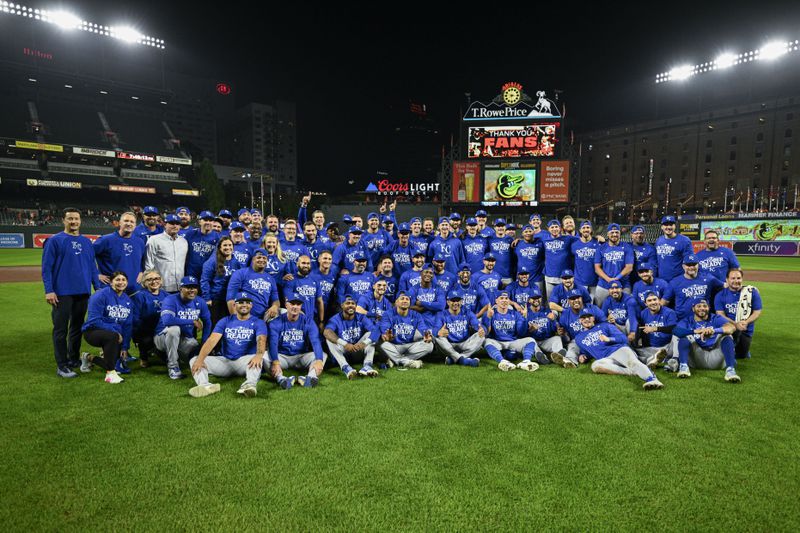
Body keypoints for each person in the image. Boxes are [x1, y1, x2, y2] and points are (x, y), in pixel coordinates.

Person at [42, 207, 102, 378]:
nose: (73, 221)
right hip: (62, 292)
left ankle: (73, 359)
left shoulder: (86, 242)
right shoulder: (55, 240)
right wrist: (49, 290)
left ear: (80, 221)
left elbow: (92, 267)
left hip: (83, 292)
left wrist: (97, 287)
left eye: (76, 218)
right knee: (61, 329)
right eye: (70, 219)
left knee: (77, 327)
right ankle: (62, 366)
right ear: (63, 220)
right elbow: (47, 268)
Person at [186, 292, 267, 397]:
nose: (244, 305)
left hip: (245, 363)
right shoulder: (225, 321)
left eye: (247, 302)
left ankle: (249, 385)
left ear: (251, 305)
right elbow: (212, 340)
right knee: (195, 359)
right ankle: (205, 385)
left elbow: (261, 340)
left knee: (259, 357)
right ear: (234, 305)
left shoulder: (258, 322)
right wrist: (200, 360)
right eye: (240, 302)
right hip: (225, 362)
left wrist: (259, 355)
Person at [574, 309, 664, 390]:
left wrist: (609, 339)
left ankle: (653, 379)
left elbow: (624, 339)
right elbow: (587, 352)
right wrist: (583, 356)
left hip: (619, 350)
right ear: (580, 320)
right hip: (606, 358)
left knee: (633, 363)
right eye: (583, 318)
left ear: (593, 318)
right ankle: (631, 372)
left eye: (588, 317)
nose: (586, 319)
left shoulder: (605, 326)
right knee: (595, 366)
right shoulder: (578, 338)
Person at [79, 271, 133, 383]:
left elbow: (128, 325)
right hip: (93, 331)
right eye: (117, 280)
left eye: (123, 280)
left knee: (118, 366)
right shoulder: (100, 295)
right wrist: (115, 331)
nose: (121, 282)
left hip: (114, 335)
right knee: (112, 337)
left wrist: (124, 347)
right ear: (111, 282)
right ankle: (110, 375)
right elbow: (94, 320)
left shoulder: (128, 300)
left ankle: (88, 357)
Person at [154, 276, 212, 379]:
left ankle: (177, 356)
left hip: (185, 338)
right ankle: (173, 366)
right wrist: (192, 321)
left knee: (196, 354)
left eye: (194, 287)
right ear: (181, 288)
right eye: (188, 287)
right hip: (162, 337)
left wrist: (204, 343)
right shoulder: (170, 300)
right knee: (174, 329)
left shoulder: (200, 302)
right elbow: (167, 321)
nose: (192, 290)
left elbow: (207, 323)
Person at [673, 298, 741, 383]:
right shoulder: (687, 320)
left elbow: (732, 327)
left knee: (727, 335)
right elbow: (676, 331)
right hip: (696, 358)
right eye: (699, 306)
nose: (702, 308)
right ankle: (683, 366)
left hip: (717, 358)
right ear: (693, 308)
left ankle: (730, 370)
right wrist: (695, 331)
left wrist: (714, 330)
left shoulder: (715, 318)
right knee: (683, 335)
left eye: (705, 306)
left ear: (708, 308)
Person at [267, 297, 326, 389]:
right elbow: (272, 344)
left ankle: (311, 377)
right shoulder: (275, 322)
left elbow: (315, 341)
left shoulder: (308, 322)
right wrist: (275, 362)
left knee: (322, 356)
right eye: (292, 304)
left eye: (298, 304)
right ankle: (281, 379)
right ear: (286, 305)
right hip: (282, 356)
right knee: (264, 357)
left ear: (301, 306)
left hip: (301, 357)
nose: (295, 307)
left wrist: (319, 361)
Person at [482, 291, 541, 372]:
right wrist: (488, 317)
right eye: (501, 298)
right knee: (486, 341)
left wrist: (524, 318)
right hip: (497, 342)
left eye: (506, 298)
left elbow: (521, 333)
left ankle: (526, 361)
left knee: (530, 340)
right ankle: (502, 361)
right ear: (496, 301)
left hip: (513, 341)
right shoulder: (491, 312)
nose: (504, 300)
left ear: (509, 301)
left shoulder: (515, 314)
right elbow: (487, 332)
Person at [324, 295, 380, 379]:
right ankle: (346, 367)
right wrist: (345, 344)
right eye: (347, 303)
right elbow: (327, 332)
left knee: (370, 335)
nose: (350, 305)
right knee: (329, 339)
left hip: (357, 350)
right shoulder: (335, 319)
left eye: (353, 303)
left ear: (356, 306)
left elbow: (375, 330)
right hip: (344, 351)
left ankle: (367, 366)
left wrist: (364, 343)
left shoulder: (361, 317)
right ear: (342, 306)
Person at [93, 211, 146, 294]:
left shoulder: (140, 242)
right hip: (110, 288)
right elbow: (87, 256)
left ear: (135, 225)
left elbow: (142, 260)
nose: (129, 224)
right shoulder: (105, 240)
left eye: (132, 222)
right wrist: (96, 274)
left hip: (133, 290)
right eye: (126, 221)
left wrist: (141, 271)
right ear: (119, 223)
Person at [378, 291, 435, 369]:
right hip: (393, 345)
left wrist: (426, 335)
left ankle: (396, 360)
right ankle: (406, 361)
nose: (405, 301)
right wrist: (386, 335)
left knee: (429, 345)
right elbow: (385, 328)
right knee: (382, 344)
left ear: (410, 303)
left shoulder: (416, 315)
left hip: (410, 345)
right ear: (396, 302)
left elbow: (423, 328)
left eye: (407, 299)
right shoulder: (387, 314)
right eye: (402, 299)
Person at [714, 269, 762, 359]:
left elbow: (757, 312)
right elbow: (720, 314)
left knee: (741, 355)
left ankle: (744, 350)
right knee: (724, 354)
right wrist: (736, 324)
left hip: (745, 329)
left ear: (742, 279)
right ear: (727, 280)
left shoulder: (751, 293)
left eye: (738, 278)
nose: (736, 281)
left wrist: (746, 322)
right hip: (728, 327)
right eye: (733, 278)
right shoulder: (720, 295)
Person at [225, 248, 281, 321]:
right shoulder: (240, 273)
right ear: (253, 259)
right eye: (258, 258)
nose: (261, 260)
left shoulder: (271, 279)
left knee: (282, 312)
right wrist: (236, 320)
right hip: (244, 314)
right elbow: (230, 298)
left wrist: (275, 306)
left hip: (264, 316)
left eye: (264, 258)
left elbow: (275, 299)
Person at [432, 290, 483, 367]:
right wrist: (438, 332)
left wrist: (480, 329)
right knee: (438, 338)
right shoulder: (441, 314)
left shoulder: (467, 312)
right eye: (453, 300)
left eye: (458, 300)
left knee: (481, 336)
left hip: (464, 344)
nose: (455, 303)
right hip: (448, 345)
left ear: (461, 301)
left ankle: (453, 358)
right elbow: (434, 330)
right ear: (448, 302)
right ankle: (462, 359)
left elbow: (476, 324)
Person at [556, 291, 605, 368]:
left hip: (595, 337)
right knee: (572, 347)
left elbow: (604, 324)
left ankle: (586, 356)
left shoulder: (592, 308)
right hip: (577, 341)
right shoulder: (565, 315)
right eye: (572, 298)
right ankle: (570, 360)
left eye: (578, 297)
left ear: (582, 298)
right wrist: (563, 335)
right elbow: (567, 340)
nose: (575, 300)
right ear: (568, 301)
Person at [200, 236, 242, 326]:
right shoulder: (211, 262)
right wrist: (207, 298)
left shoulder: (236, 261)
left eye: (230, 245)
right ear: (219, 248)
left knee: (230, 325)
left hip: (231, 299)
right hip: (217, 299)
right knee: (216, 326)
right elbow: (204, 281)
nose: (228, 247)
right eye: (225, 245)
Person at [131, 269, 169, 368]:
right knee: (147, 341)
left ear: (161, 281)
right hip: (145, 331)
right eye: (150, 279)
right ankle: (143, 356)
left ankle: (158, 350)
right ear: (144, 282)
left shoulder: (167, 295)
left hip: (162, 330)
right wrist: (136, 335)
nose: (154, 281)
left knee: (167, 359)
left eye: (157, 278)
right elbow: (135, 318)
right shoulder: (140, 296)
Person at [670, 254, 724, 321]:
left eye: (694, 264)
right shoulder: (674, 282)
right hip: (682, 320)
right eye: (688, 265)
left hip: (703, 319)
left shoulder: (708, 278)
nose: (691, 267)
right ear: (683, 266)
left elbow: (725, 286)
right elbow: (665, 301)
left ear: (698, 265)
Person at [144, 214, 188, 293]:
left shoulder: (184, 242)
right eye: (171, 223)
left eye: (177, 223)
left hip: (180, 286)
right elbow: (148, 265)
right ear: (165, 224)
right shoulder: (154, 240)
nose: (175, 226)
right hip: (160, 287)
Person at [525, 288, 568, 365]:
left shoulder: (547, 311)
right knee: (530, 340)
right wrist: (529, 330)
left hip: (545, 340)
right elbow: (521, 333)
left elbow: (554, 327)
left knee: (557, 338)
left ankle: (559, 355)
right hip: (533, 341)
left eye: (538, 298)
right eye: (533, 298)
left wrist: (557, 329)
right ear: (529, 300)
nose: (536, 300)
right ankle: (540, 355)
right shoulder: (526, 313)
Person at [594, 223, 634, 306]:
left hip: (623, 284)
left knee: (626, 308)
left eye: (617, 232)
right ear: (607, 234)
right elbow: (597, 268)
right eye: (612, 232)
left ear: (620, 234)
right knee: (599, 309)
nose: (614, 234)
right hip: (603, 284)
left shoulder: (627, 247)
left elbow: (629, 267)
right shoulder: (601, 248)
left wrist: (616, 279)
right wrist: (608, 279)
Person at [635, 291, 677, 368]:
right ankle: (656, 359)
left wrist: (656, 328)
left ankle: (657, 359)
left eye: (655, 299)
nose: (653, 302)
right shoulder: (643, 313)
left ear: (659, 300)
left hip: (668, 347)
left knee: (678, 337)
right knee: (634, 351)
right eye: (649, 300)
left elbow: (673, 329)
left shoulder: (669, 312)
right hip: (651, 348)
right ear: (645, 304)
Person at [283, 255, 323, 322]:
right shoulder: (291, 279)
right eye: (303, 263)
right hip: (295, 319)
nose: (306, 266)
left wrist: (321, 321)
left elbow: (320, 302)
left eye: (308, 263)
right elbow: (288, 301)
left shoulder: (315, 281)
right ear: (297, 264)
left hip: (311, 320)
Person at [183, 211, 219, 280]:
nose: (208, 222)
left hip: (208, 274)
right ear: (200, 222)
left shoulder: (217, 237)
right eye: (205, 220)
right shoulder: (190, 234)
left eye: (211, 220)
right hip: (191, 273)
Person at [655, 215, 692, 281]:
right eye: (666, 225)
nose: (669, 227)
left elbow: (690, 261)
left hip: (678, 280)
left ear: (675, 226)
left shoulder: (684, 240)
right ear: (662, 227)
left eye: (671, 224)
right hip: (662, 280)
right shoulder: (659, 240)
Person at [570, 220, 600, 298]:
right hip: (579, 281)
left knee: (594, 305)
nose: (586, 229)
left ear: (591, 229)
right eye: (583, 228)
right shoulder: (574, 245)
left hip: (595, 281)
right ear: (580, 230)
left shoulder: (597, 243)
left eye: (588, 227)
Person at [485, 218, 514, 284]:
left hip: (507, 275)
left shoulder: (510, 239)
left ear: (505, 227)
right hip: (493, 275)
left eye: (502, 226)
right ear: (494, 227)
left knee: (507, 294)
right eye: (498, 226)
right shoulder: (489, 239)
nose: (500, 228)